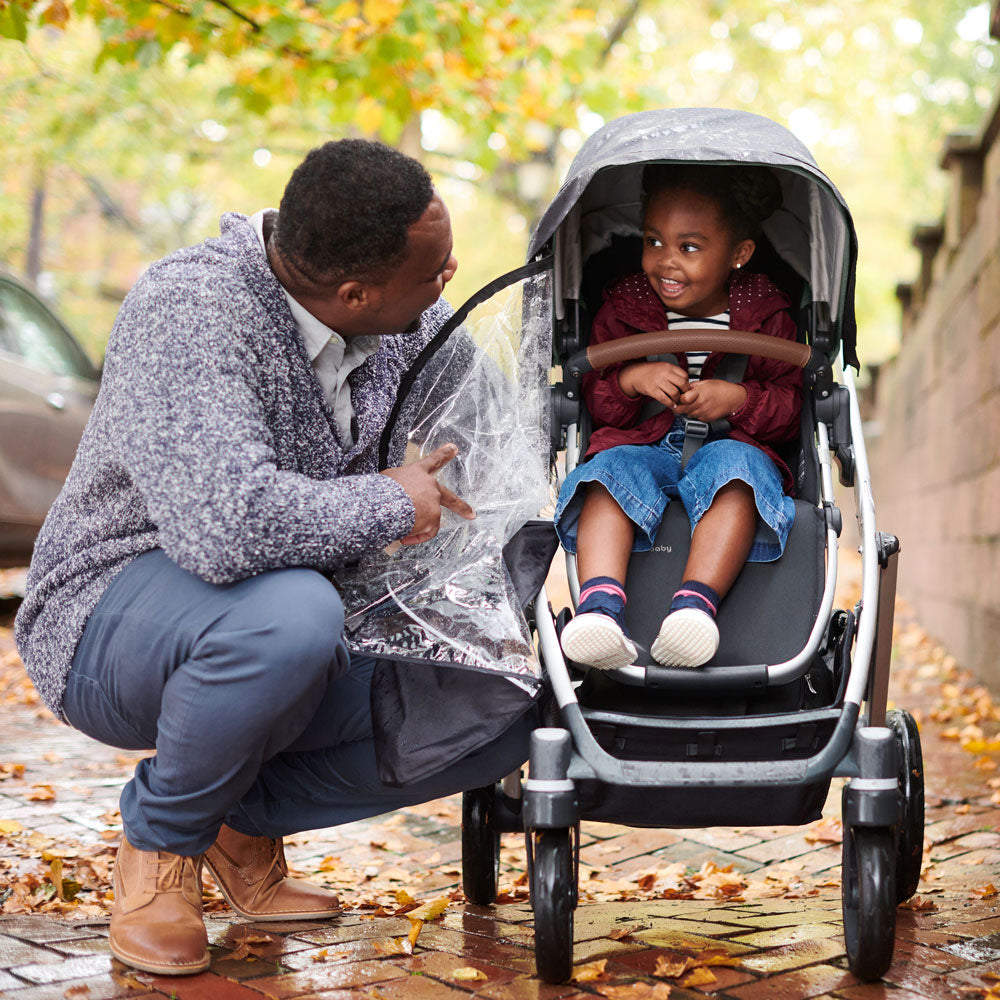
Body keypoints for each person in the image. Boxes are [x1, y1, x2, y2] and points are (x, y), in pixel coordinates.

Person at [14, 139, 539, 976]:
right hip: (110, 618)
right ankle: (160, 850)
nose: (452, 279)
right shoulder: (190, 310)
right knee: (291, 615)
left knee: (508, 689)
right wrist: (393, 501)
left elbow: (499, 432)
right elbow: (225, 528)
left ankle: (233, 814)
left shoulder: (407, 321)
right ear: (353, 292)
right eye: (435, 270)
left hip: (310, 621)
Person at [555, 163, 802, 671]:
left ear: (739, 254)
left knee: (740, 475)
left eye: (689, 247)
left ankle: (693, 608)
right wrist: (630, 379)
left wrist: (739, 399)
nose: (666, 262)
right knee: (606, 473)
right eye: (653, 241)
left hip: (732, 444)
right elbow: (595, 399)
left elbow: (790, 406)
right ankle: (599, 611)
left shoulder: (767, 314)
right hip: (642, 444)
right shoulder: (623, 307)